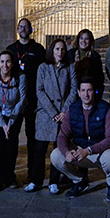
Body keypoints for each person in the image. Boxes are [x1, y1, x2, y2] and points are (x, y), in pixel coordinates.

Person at [50, 78, 110, 202]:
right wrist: (67, 152)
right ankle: (79, 181)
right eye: (83, 90)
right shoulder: (73, 109)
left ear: (94, 92)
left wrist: (88, 150)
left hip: (99, 151)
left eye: (89, 90)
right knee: (55, 155)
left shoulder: (105, 108)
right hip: (79, 151)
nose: (86, 94)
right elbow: (62, 136)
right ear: (78, 92)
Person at [29, 38, 77, 193]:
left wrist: (64, 111)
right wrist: (53, 112)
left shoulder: (70, 68)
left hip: (63, 114)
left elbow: (73, 89)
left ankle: (54, 181)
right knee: (40, 150)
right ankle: (36, 181)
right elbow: (39, 90)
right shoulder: (43, 67)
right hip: (46, 113)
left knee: (59, 149)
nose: (60, 52)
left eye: (63, 49)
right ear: (52, 50)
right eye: (57, 49)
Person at [6, 18, 45, 185]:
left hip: (32, 99)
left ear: (31, 29)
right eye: (20, 27)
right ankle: (9, 174)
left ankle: (32, 172)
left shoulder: (38, 49)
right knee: (12, 136)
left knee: (32, 137)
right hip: (14, 100)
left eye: (26, 27)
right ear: (17, 29)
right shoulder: (10, 50)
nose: (23, 29)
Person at [0, 50, 27, 190]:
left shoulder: (20, 77)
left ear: (12, 63)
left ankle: (10, 177)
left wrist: (10, 123)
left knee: (11, 144)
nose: (5, 65)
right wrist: (3, 124)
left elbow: (21, 100)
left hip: (15, 115)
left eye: (8, 61)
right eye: (2, 61)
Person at [66, 28, 104, 99]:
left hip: (88, 92)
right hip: (71, 92)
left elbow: (99, 78)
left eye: (86, 39)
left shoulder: (95, 57)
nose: (83, 41)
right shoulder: (70, 54)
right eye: (81, 38)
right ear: (78, 40)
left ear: (90, 41)